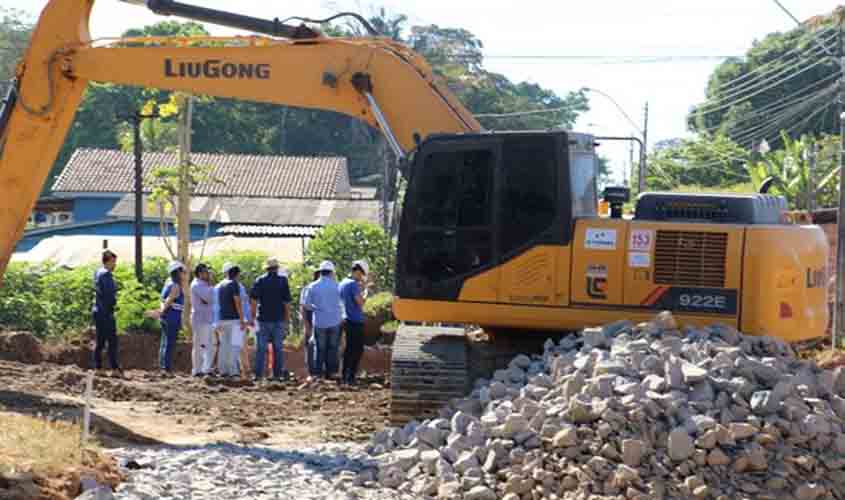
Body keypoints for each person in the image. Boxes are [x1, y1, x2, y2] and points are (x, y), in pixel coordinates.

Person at [250, 257, 292, 382]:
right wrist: (287, 319)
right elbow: (287, 302)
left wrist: (252, 317)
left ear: (267, 268)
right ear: (277, 268)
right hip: (279, 319)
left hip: (263, 319)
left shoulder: (260, 280)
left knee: (261, 348)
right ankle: (277, 375)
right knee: (278, 348)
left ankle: (258, 375)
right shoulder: (283, 281)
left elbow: (253, 300)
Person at [305, 260, 343, 381]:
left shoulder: (312, 286)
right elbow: (342, 303)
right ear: (332, 272)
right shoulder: (338, 286)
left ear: (320, 272)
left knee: (319, 348)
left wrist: (317, 308)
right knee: (333, 348)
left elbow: (307, 305)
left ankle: (318, 374)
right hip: (335, 321)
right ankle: (332, 373)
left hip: (319, 322)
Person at [215, 262, 248, 377]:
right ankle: (233, 371)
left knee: (224, 346)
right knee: (235, 346)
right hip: (234, 319)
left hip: (222, 319)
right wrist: (242, 319)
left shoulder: (220, 285)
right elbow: (237, 302)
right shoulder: (234, 284)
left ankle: (223, 370)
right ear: (237, 274)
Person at [340, 260, 369, 385]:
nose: (362, 277)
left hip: (346, 319)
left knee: (348, 349)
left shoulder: (343, 283)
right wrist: (366, 291)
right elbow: (361, 303)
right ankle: (351, 377)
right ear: (357, 271)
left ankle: (344, 376)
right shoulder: (352, 284)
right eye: (362, 274)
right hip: (355, 321)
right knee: (357, 350)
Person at [92, 249, 121, 376]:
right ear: (108, 261)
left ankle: (98, 368)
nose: (115, 264)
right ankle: (114, 369)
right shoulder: (106, 275)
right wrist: (113, 307)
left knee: (100, 341)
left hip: (98, 311)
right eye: (113, 262)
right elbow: (109, 295)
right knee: (112, 341)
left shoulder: (97, 272)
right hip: (106, 312)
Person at [159, 261, 185, 374]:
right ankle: (166, 368)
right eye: (182, 271)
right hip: (172, 317)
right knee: (169, 343)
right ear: (178, 272)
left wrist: (161, 312)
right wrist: (162, 311)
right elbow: (169, 300)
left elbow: (162, 300)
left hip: (166, 317)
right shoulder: (175, 286)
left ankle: (163, 366)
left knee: (164, 342)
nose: (184, 274)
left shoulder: (168, 283)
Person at [190, 263, 215, 376]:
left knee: (210, 346)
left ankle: (206, 369)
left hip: (208, 319)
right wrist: (211, 285)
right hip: (200, 320)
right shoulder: (197, 285)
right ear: (200, 274)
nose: (208, 274)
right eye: (206, 272)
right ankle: (197, 370)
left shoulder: (205, 285)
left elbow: (212, 298)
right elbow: (210, 298)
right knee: (200, 346)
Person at [299, 270, 320, 376]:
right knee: (310, 346)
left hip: (321, 320)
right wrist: (306, 324)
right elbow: (303, 308)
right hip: (310, 320)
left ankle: (320, 371)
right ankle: (312, 372)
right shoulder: (307, 288)